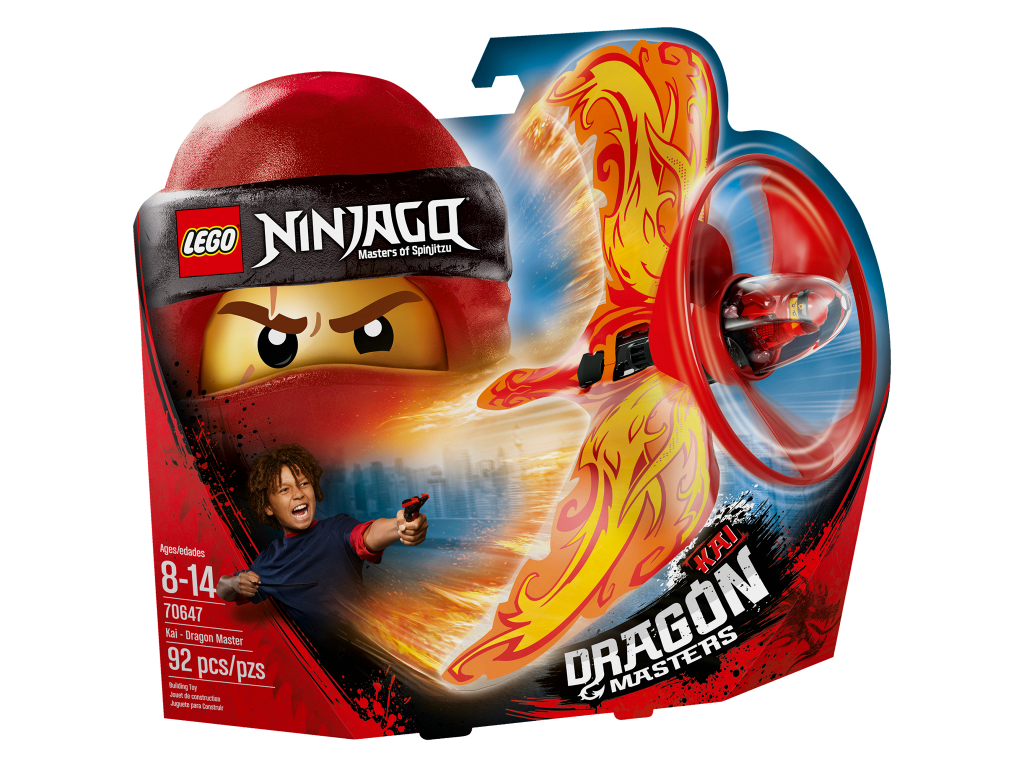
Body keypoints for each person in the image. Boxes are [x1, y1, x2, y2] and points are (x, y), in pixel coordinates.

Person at [216, 444, 428, 641]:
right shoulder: (269, 562)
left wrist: (400, 525)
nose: (298, 494)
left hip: (372, 645)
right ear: (268, 507)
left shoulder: (336, 528)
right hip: (322, 665)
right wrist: (235, 583)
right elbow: (222, 589)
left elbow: (367, 535)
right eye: (284, 490)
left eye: (303, 484)